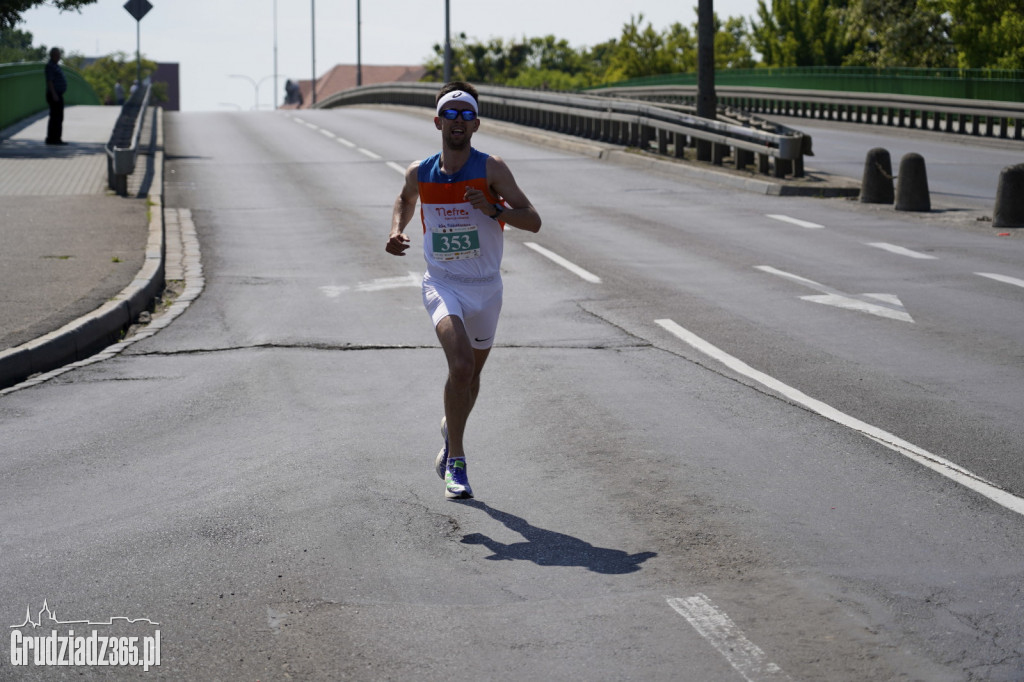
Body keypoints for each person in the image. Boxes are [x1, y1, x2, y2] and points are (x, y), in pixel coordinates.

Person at [386, 81, 541, 499]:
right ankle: (456, 461)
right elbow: (405, 198)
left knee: (471, 381)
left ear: (475, 124)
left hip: (486, 288)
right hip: (443, 284)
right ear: (438, 121)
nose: (457, 121)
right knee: (461, 368)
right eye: (449, 114)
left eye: (465, 115)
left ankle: (450, 430)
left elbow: (533, 219)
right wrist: (397, 230)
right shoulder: (420, 171)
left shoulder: (492, 169)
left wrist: (493, 208)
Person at [44, 47, 67, 145]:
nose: (59, 56)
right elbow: (50, 81)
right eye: (58, 54)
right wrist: (54, 94)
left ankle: (56, 137)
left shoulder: (55, 65)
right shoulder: (50, 66)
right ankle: (52, 138)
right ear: (53, 55)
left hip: (58, 94)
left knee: (58, 116)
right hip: (55, 94)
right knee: (55, 117)